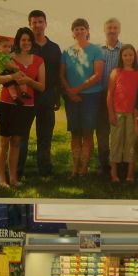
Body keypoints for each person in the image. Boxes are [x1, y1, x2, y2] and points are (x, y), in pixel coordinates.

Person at [0, 27, 45, 189]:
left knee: (16, 141)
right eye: (23, 40)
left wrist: (27, 80)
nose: (26, 43)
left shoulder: (38, 61)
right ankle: (2, 180)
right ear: (18, 42)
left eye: (29, 40)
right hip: (7, 104)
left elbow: (41, 87)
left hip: (27, 107)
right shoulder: (7, 57)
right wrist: (11, 77)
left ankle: (13, 179)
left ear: (32, 42)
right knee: (3, 141)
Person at [18, 10, 63, 179]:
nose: (37, 25)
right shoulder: (25, 46)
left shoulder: (54, 48)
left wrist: (57, 97)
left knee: (45, 138)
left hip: (47, 98)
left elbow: (58, 74)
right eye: (34, 22)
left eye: (40, 21)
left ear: (46, 23)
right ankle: (17, 171)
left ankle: (45, 170)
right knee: (22, 137)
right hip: (27, 97)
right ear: (30, 24)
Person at [60, 18, 104, 178]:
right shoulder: (67, 52)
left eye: (82, 28)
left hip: (91, 97)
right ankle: (75, 169)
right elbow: (61, 75)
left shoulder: (96, 50)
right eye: (76, 29)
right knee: (75, 133)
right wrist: (70, 92)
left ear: (87, 31)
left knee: (87, 133)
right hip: (71, 98)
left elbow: (98, 75)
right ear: (73, 32)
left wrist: (76, 90)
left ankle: (84, 169)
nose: (79, 31)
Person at [107, 44, 138, 183]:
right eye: (125, 55)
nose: (128, 57)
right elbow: (109, 94)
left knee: (131, 143)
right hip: (117, 113)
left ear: (134, 57)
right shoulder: (116, 72)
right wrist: (110, 113)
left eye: (131, 55)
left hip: (133, 115)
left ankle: (130, 173)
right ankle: (114, 172)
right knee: (116, 142)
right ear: (121, 57)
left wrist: (137, 116)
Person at [96, 18, 123, 176]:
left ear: (119, 30)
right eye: (109, 27)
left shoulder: (125, 50)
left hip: (119, 98)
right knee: (102, 132)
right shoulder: (97, 50)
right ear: (104, 29)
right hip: (100, 96)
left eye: (115, 27)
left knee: (118, 133)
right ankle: (103, 165)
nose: (112, 30)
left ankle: (118, 165)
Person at [0, 37, 30, 105]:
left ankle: (23, 92)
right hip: (4, 73)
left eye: (9, 47)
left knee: (21, 80)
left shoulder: (7, 55)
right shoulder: (2, 56)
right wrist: (15, 67)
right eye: (5, 46)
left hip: (10, 72)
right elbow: (8, 65)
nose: (8, 48)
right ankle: (15, 97)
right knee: (11, 86)